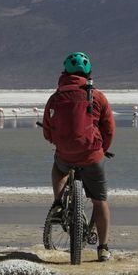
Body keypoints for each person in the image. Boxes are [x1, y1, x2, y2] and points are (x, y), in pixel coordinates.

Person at [42, 51, 115, 262]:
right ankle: (103, 248)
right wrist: (103, 148)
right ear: (89, 73)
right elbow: (109, 128)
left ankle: (58, 203)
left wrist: (54, 141)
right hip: (92, 156)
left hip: (65, 154)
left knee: (58, 168)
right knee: (100, 201)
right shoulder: (97, 96)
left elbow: (47, 127)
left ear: (65, 73)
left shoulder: (55, 98)